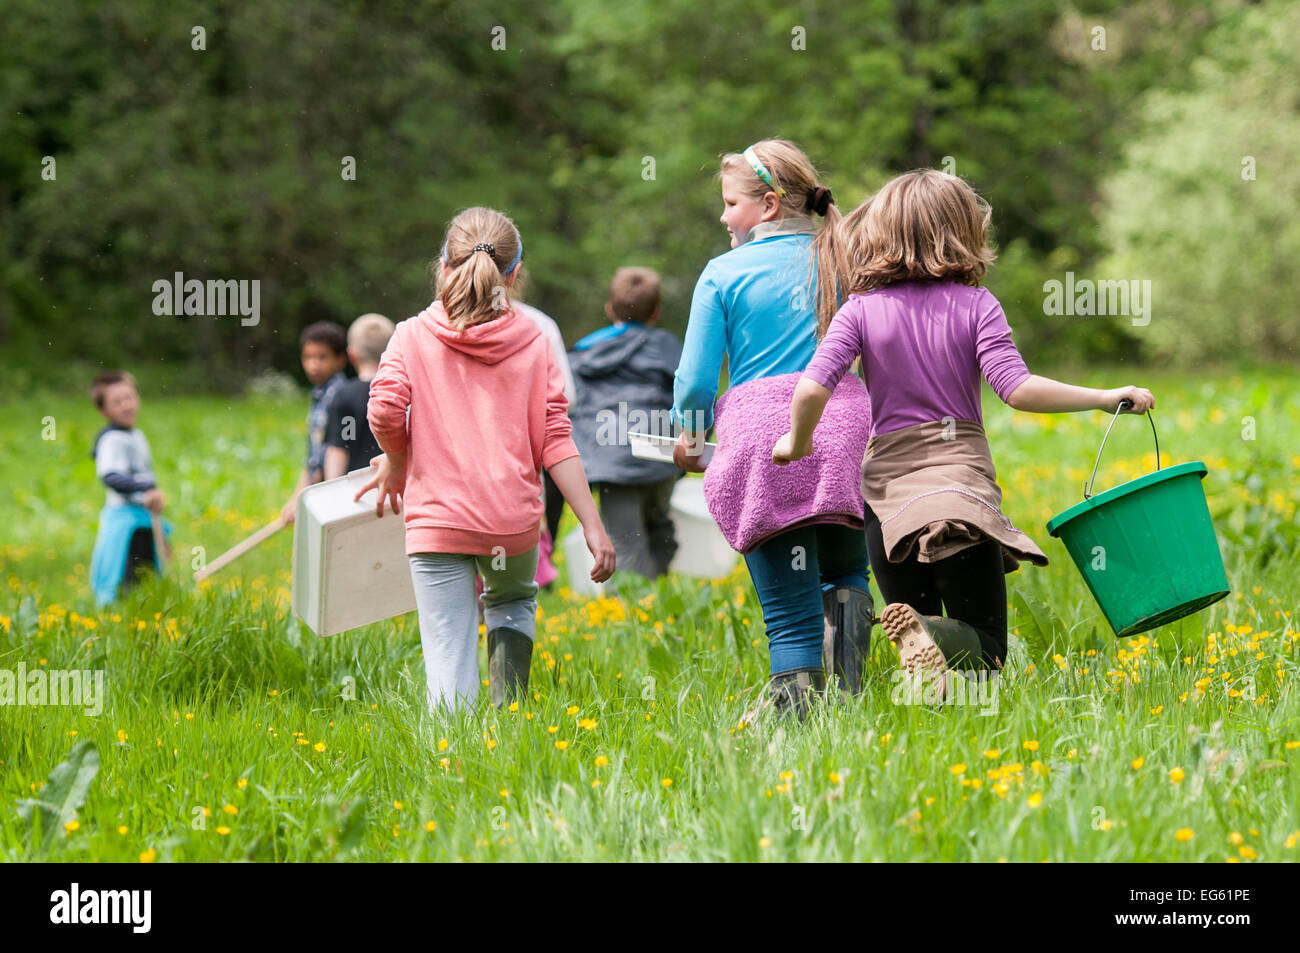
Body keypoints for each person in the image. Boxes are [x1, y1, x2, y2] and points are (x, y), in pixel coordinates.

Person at [774, 168, 1154, 696]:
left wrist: (796, 443)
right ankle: (931, 636)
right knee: (986, 645)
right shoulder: (977, 305)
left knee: (918, 639)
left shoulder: (859, 310)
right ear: (962, 233)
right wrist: (1106, 397)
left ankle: (928, 673)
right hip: (959, 491)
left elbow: (812, 388)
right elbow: (1017, 389)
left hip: (887, 500)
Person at [359, 206, 615, 713]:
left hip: (437, 518)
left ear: (443, 267)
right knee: (512, 603)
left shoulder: (411, 334)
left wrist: (397, 458)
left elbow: (385, 408)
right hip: (511, 519)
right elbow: (556, 440)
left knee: (448, 646)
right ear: (515, 273)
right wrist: (592, 524)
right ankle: (509, 722)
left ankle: (455, 761)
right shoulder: (536, 340)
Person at [672, 139, 875, 719]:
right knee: (845, 571)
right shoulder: (843, 260)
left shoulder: (723, 272)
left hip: (766, 437)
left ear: (765, 205)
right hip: (844, 427)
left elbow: (693, 380)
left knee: (789, 612)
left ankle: (797, 727)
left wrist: (689, 436)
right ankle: (849, 705)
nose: (722, 216)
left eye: (730, 203)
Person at [569, 267, 683, 580]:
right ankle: (654, 605)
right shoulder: (671, 348)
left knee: (627, 542)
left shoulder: (586, 353)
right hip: (661, 455)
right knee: (659, 530)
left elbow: (568, 409)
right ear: (656, 311)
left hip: (611, 462)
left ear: (609, 309)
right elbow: (694, 396)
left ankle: (641, 610)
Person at [510, 266, 576, 587]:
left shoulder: (429, 325)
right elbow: (566, 398)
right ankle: (538, 575)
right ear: (518, 274)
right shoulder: (540, 325)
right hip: (526, 459)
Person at [87, 371, 171, 604]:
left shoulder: (136, 435)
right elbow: (111, 477)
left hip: (144, 517)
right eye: (117, 402)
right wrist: (146, 488)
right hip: (126, 522)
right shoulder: (111, 439)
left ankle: (149, 608)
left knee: (149, 568)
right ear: (103, 410)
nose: (126, 406)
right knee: (127, 573)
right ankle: (123, 614)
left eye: (130, 397)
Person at [280, 321, 348, 523]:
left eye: (322, 357)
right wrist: (297, 498)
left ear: (341, 360)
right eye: (308, 357)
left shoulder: (340, 396)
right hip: (316, 487)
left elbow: (332, 451)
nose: (313, 365)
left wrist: (303, 495)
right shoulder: (320, 395)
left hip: (331, 487)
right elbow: (313, 455)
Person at [323, 313, 394, 480]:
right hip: (397, 490)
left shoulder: (345, 396)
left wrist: (333, 490)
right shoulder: (403, 393)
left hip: (356, 494)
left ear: (351, 355)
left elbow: (340, 449)